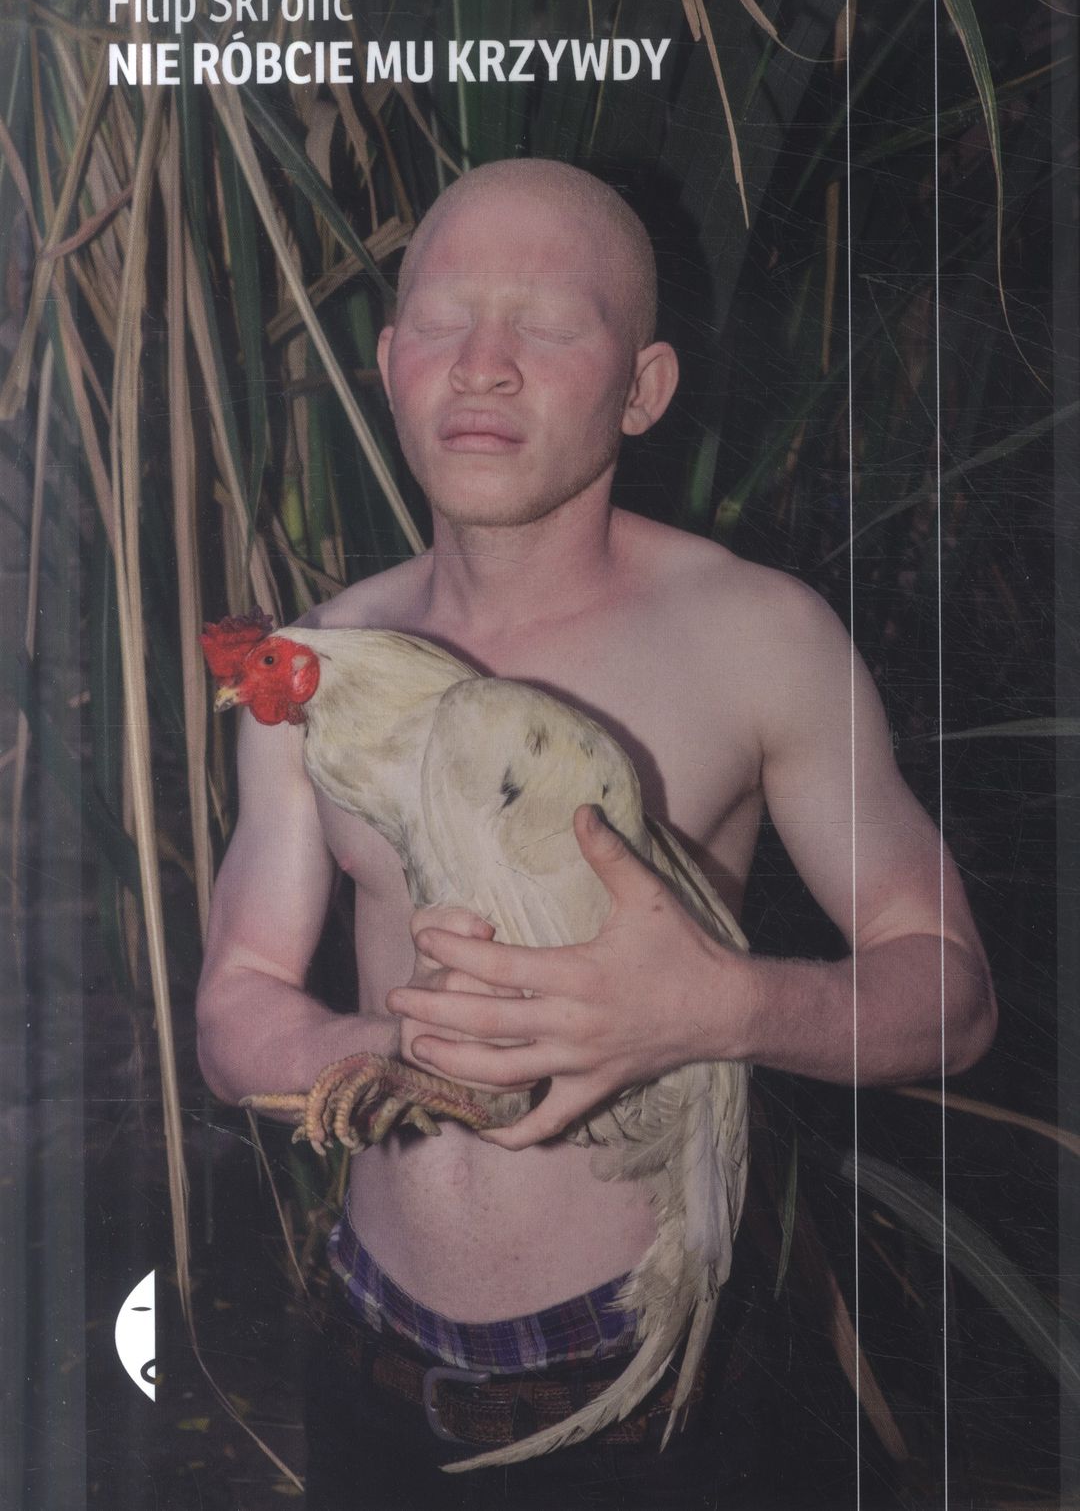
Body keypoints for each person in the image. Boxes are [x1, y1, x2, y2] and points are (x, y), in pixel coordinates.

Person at [195, 158, 997, 1508]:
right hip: (364, 1361)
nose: (483, 364)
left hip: (641, 1395)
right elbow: (236, 1003)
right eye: (442, 319)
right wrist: (376, 1053)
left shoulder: (760, 639)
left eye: (551, 324)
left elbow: (955, 994)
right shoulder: (319, 663)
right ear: (389, 363)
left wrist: (723, 1006)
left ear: (644, 387)